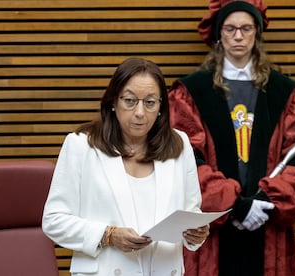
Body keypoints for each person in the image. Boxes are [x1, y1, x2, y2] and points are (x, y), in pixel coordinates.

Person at [168, 0, 295, 275]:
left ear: (257, 33)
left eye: (246, 28)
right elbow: (188, 160)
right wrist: (234, 206)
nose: (238, 36)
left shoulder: (284, 93)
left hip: (266, 223)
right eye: (230, 28)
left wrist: (264, 201)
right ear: (218, 34)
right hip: (213, 231)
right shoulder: (192, 92)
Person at [42, 57, 210, 276]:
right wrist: (108, 235)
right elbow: (54, 221)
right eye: (130, 101)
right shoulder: (81, 145)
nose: (140, 112)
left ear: (161, 107)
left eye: (150, 102)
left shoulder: (179, 144)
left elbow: (191, 210)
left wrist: (196, 232)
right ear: (114, 102)